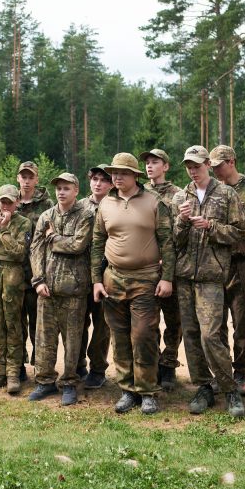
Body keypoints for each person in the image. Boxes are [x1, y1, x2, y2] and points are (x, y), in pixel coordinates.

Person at [91, 153, 175, 415]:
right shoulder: (105, 204)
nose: (116, 177)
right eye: (114, 173)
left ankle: (147, 390)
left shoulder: (153, 201)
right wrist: (96, 280)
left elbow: (167, 242)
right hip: (113, 279)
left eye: (123, 173)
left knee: (143, 335)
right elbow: (96, 243)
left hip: (146, 278)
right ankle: (128, 389)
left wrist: (167, 277)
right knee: (120, 336)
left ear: (135, 176)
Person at [171, 147, 245, 419]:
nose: (193, 170)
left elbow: (240, 231)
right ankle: (203, 387)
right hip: (185, 277)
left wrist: (211, 227)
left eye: (197, 165)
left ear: (207, 164)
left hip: (212, 276)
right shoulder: (181, 196)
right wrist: (181, 222)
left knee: (210, 335)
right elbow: (174, 240)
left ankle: (230, 390)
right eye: (188, 166)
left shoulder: (227, 194)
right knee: (191, 335)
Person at [29, 173, 93, 406]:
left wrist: (53, 237)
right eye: (58, 188)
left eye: (66, 188)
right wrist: (38, 280)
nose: (61, 192)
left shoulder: (86, 215)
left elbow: (78, 245)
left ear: (76, 190)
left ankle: (69, 383)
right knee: (44, 339)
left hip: (74, 290)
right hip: (47, 290)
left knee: (73, 341)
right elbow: (36, 248)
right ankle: (44, 381)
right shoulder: (46, 216)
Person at [209, 145, 245, 395]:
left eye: (219, 165)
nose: (215, 170)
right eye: (212, 167)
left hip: (242, 261)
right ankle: (221, 372)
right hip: (216, 262)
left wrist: (215, 223)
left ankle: (241, 372)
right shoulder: (212, 189)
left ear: (231, 162)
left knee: (244, 321)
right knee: (216, 321)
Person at [0, 184, 32, 395]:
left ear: (17, 202)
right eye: (2, 201)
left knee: (12, 324)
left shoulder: (24, 223)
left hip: (12, 275)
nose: (5, 205)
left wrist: (5, 230)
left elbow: (19, 253)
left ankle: (13, 373)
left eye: (10, 201)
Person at [139, 148, 183, 389]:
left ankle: (169, 362)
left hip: (170, 266)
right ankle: (153, 361)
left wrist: (169, 260)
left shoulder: (178, 195)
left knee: (174, 318)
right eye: (147, 163)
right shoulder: (140, 193)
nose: (149, 166)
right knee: (149, 318)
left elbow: (178, 231)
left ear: (165, 166)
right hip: (145, 266)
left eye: (155, 162)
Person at [76, 167, 114, 388]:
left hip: (106, 273)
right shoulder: (79, 206)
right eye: (95, 179)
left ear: (110, 184)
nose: (98, 184)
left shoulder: (115, 205)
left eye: (103, 180)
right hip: (81, 274)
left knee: (102, 325)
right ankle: (78, 363)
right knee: (78, 322)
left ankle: (98, 368)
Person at [15, 161, 54, 377]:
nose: (27, 181)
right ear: (18, 178)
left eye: (31, 177)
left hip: (37, 273)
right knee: (16, 323)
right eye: (23, 177)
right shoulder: (10, 202)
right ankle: (18, 365)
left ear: (37, 179)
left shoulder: (46, 204)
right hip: (15, 274)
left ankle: (40, 366)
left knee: (38, 324)